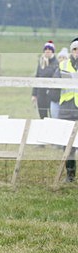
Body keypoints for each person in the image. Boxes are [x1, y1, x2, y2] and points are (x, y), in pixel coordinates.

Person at [57, 39, 78, 182]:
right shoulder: (62, 65)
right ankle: (70, 174)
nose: (77, 52)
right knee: (68, 144)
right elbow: (54, 84)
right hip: (66, 108)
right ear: (71, 51)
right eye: (75, 49)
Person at [31, 40, 60, 119]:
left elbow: (53, 75)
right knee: (42, 115)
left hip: (51, 94)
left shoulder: (56, 63)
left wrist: (47, 67)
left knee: (52, 115)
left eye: (49, 49)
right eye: (46, 49)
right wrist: (34, 94)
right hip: (41, 93)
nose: (47, 51)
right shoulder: (41, 63)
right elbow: (37, 77)